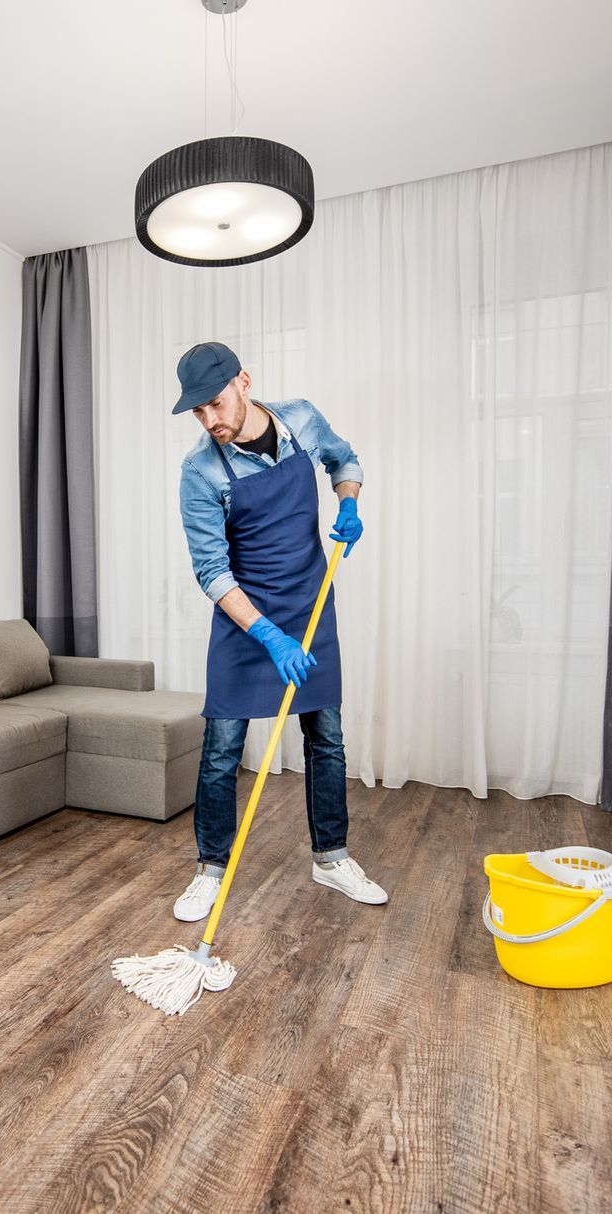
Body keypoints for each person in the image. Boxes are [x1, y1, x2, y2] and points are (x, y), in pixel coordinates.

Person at [170, 341, 389, 923]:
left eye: (215, 404)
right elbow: (213, 572)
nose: (210, 421)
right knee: (220, 752)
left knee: (327, 739)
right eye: (198, 412)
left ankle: (331, 857)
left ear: (244, 382)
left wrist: (348, 503)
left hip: (310, 604)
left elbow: (344, 461)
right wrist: (268, 636)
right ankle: (210, 870)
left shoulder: (300, 419)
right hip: (246, 621)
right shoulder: (200, 471)